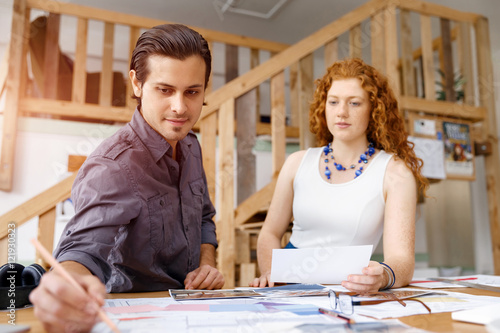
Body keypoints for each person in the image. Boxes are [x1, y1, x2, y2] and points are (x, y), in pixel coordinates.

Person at [29, 23, 224, 332]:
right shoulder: (112, 166)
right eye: (165, 89)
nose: (180, 107)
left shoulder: (191, 145)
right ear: (137, 83)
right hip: (134, 320)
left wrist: (207, 264)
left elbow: (204, 218)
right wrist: (65, 287)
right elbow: (82, 252)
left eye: (192, 92)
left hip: (194, 310)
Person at [250, 58, 428, 293]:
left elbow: (402, 261)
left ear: (374, 109)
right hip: (288, 287)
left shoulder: (395, 173)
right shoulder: (297, 163)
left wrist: (383, 276)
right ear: (324, 107)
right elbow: (269, 234)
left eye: (354, 103)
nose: (342, 112)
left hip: (349, 290)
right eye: (333, 102)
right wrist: (272, 275)